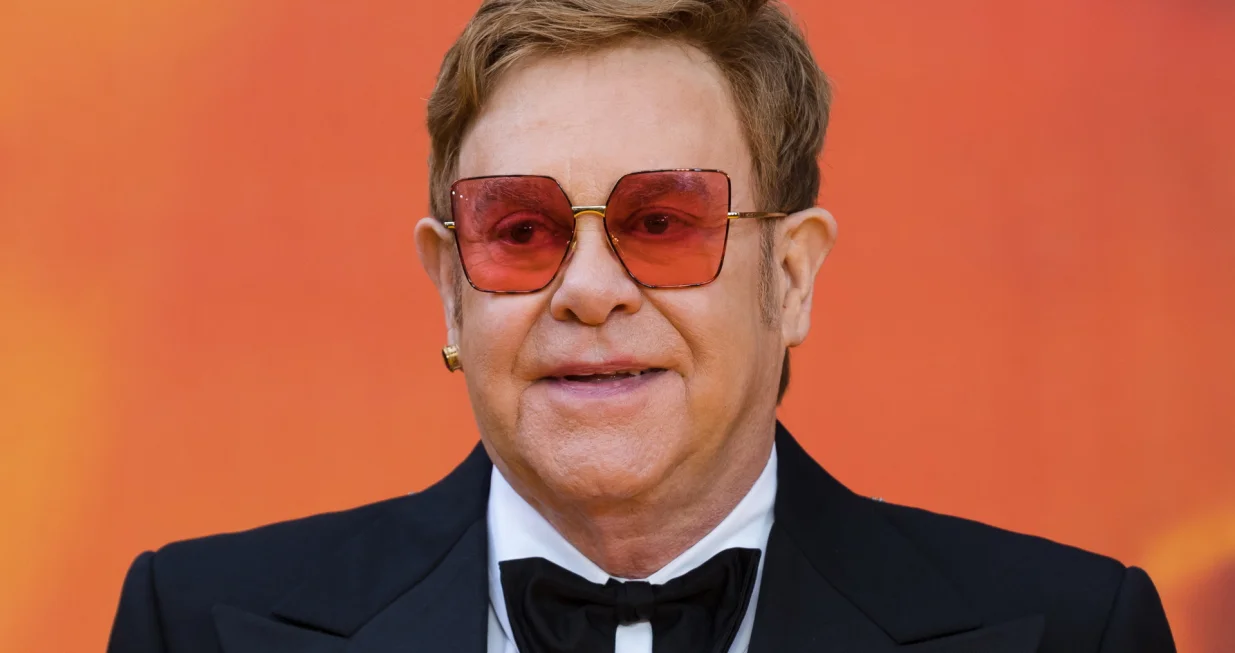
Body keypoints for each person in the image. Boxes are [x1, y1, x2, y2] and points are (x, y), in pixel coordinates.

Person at [107, 0, 1177, 651]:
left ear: (790, 276)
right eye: (520, 229)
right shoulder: (196, 623)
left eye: (661, 221)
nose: (586, 288)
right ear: (448, 287)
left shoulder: (1070, 631)